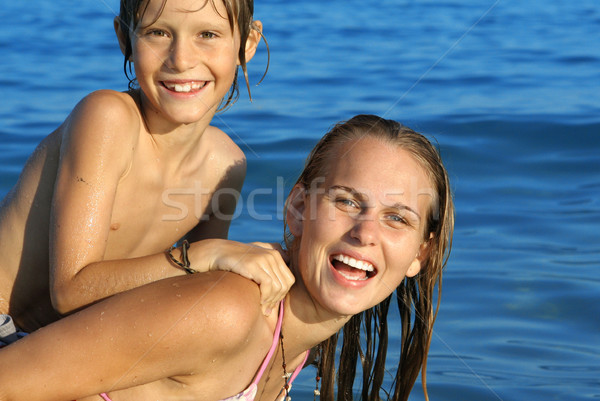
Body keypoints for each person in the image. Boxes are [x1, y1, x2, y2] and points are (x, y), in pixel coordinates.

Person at [0, 115, 454, 401]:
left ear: (420, 253)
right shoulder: (230, 310)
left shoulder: (299, 345)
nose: (365, 234)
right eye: (346, 201)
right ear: (297, 210)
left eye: (397, 218)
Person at [0, 0, 293, 333]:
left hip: (49, 343)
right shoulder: (108, 119)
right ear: (125, 39)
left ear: (248, 43)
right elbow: (69, 291)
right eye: (158, 33)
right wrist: (208, 254)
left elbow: (195, 292)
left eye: (207, 34)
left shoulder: (226, 164)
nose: (181, 60)